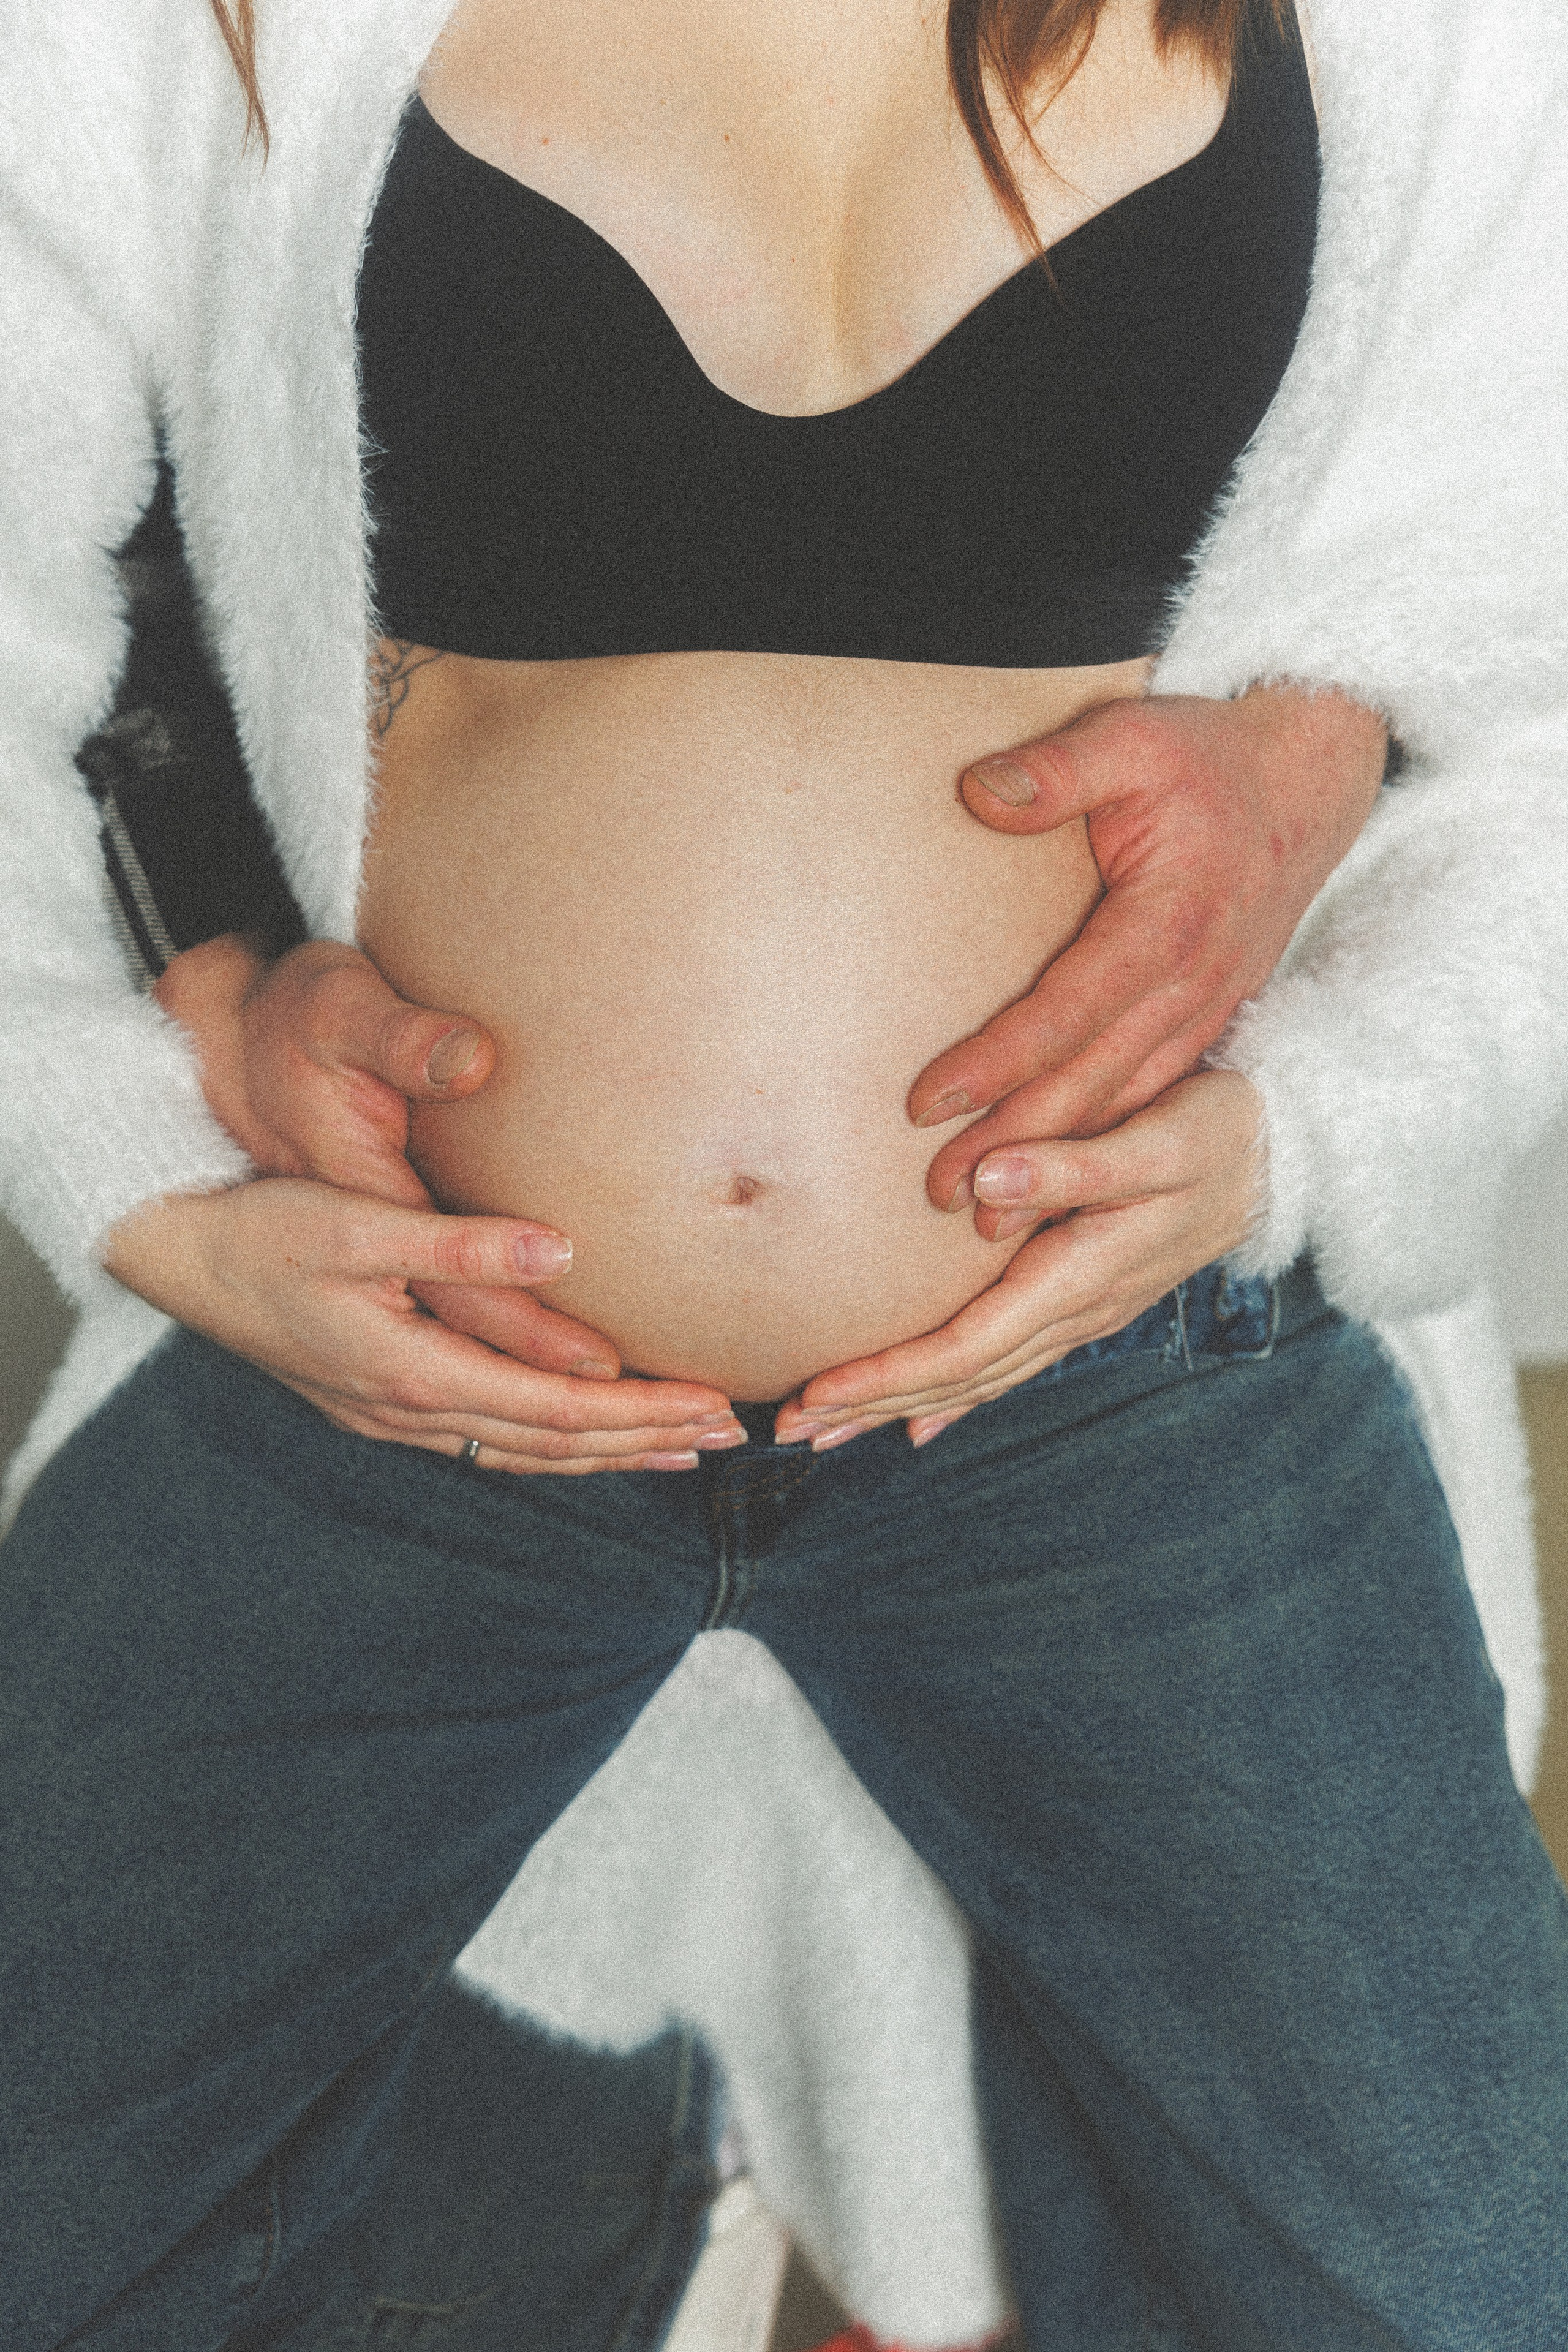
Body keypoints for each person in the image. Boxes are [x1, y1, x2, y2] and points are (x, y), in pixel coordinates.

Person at [1, 1, 1566, 2346]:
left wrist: (1309, 1097)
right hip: (399, 1371)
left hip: (1128, 1371)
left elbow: (1541, 667)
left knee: (1452, 2288)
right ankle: (606, 2193)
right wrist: (129, 1149)